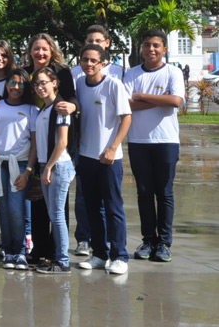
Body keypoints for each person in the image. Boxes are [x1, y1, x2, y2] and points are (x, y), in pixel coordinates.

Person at [124, 29, 185, 263]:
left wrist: (141, 96)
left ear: (164, 49)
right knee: (144, 193)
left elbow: (175, 101)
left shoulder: (173, 72)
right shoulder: (132, 73)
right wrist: (160, 99)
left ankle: (164, 243)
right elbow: (126, 104)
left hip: (166, 141)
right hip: (139, 141)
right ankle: (148, 240)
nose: (151, 49)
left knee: (165, 192)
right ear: (142, 48)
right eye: (147, 45)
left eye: (156, 45)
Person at [75, 44, 132, 275]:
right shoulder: (80, 84)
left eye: (93, 60)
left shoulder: (113, 85)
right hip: (86, 156)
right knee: (92, 209)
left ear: (104, 63)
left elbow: (126, 118)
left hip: (108, 158)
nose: (88, 64)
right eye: (85, 60)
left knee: (113, 208)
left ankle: (120, 256)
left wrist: (113, 147)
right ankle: (99, 254)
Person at [0, 68, 36, 271]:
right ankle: (8, 250)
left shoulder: (31, 109)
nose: (16, 87)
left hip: (19, 163)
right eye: (12, 82)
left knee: (16, 209)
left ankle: (20, 251)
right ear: (6, 84)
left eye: (21, 83)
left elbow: (35, 143)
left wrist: (28, 170)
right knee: (3, 209)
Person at [31, 66, 76, 275]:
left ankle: (63, 261)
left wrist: (48, 167)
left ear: (54, 83)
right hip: (46, 165)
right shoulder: (44, 109)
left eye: (43, 83)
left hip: (58, 166)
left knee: (57, 216)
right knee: (52, 214)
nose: (40, 87)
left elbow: (62, 141)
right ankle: (57, 258)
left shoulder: (59, 107)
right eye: (36, 84)